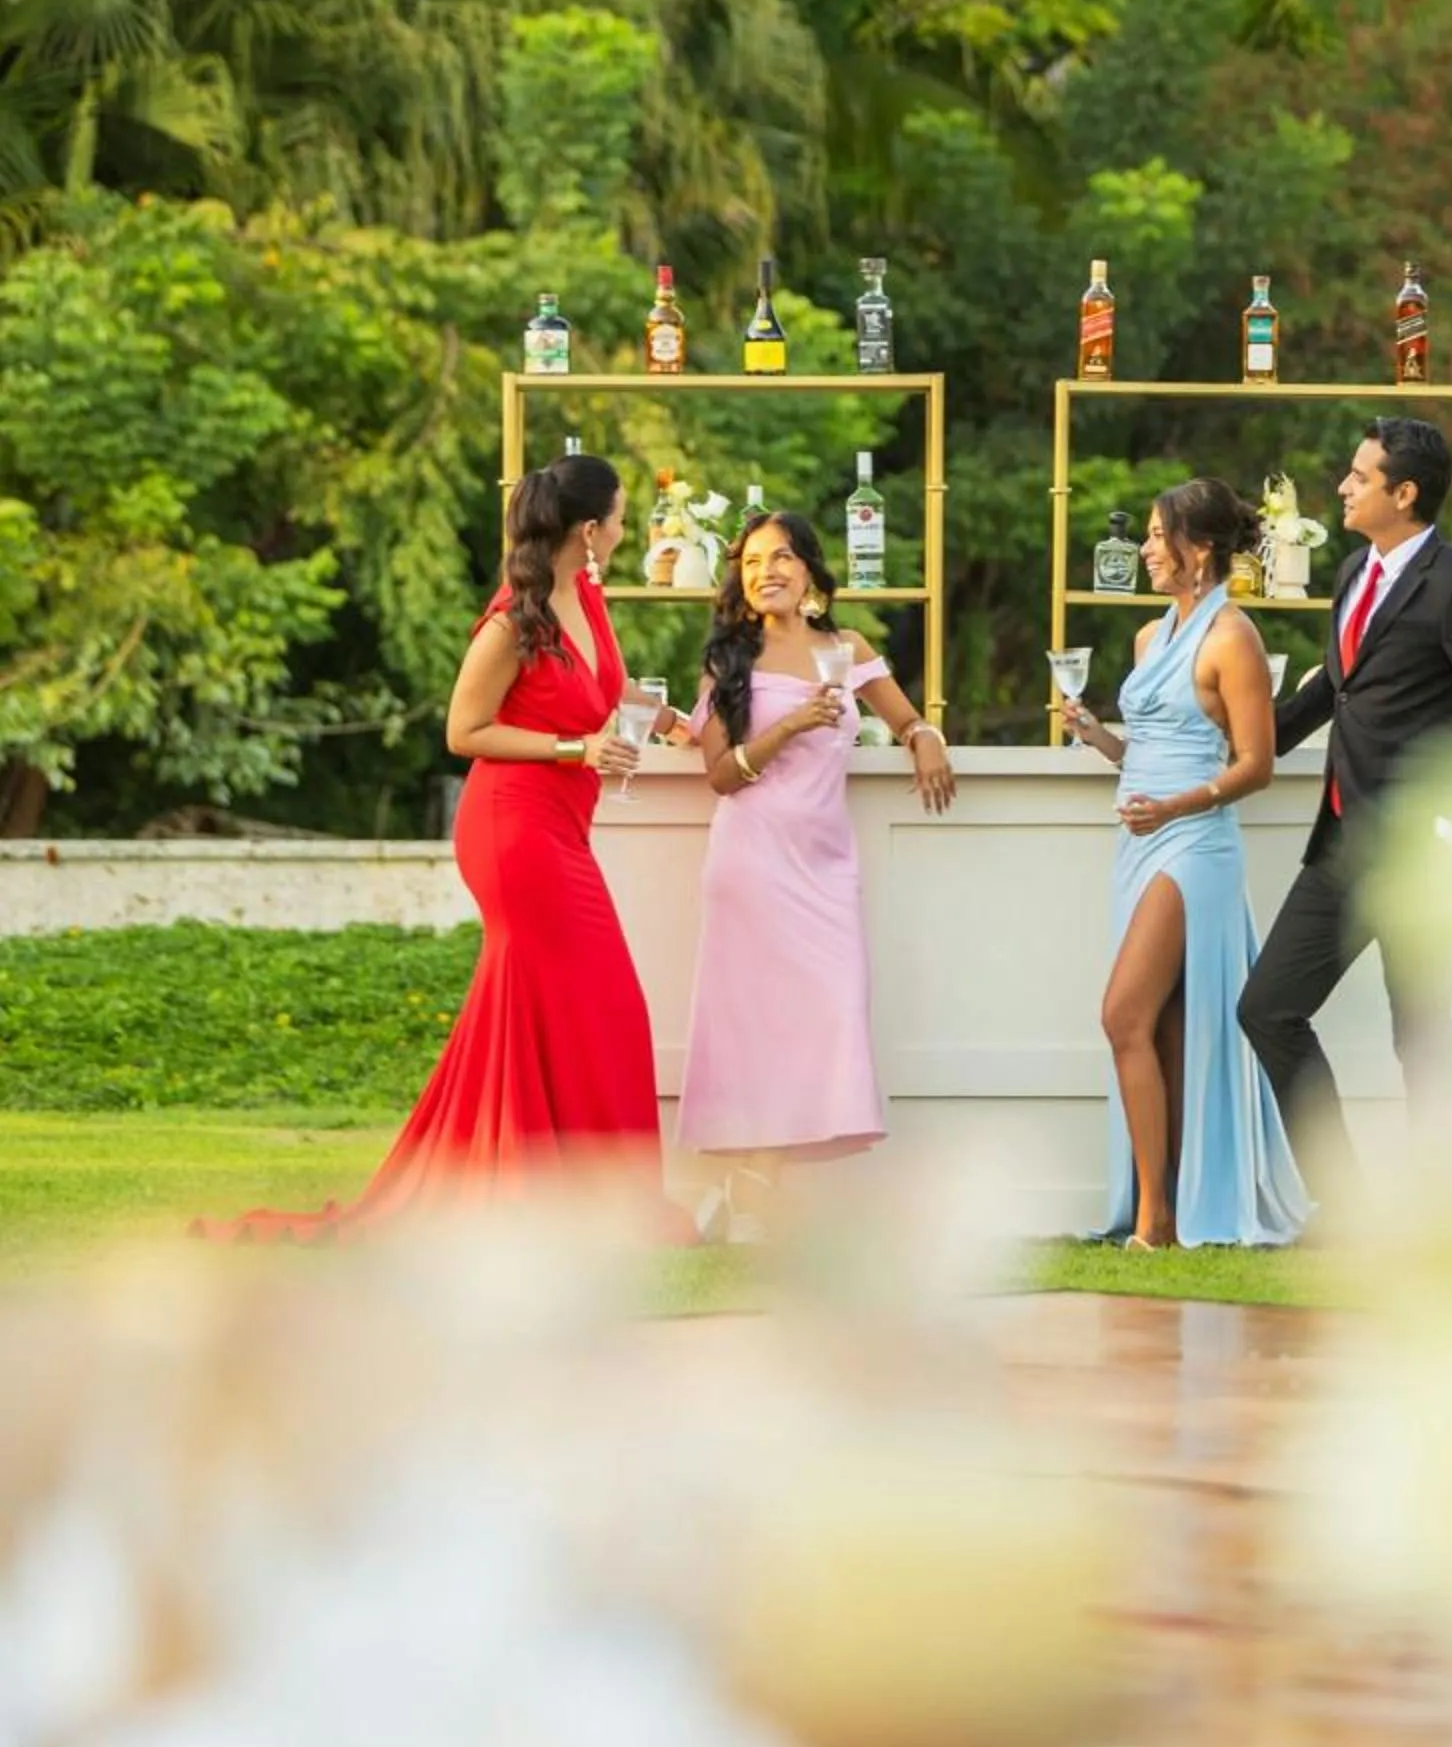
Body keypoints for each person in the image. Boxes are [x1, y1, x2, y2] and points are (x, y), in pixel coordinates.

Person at [198, 455, 681, 1243]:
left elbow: (605, 685)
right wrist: (577, 750)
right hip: (513, 828)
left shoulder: (585, 598)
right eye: (624, 518)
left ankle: (556, 1196)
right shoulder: (512, 622)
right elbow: (465, 731)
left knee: (560, 1007)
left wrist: (669, 721)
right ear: (591, 530)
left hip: (562, 824)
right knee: (604, 1002)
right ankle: (556, 1198)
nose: (628, 531)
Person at [1235, 418, 1452, 1203]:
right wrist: (1246, 740)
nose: (1342, 487)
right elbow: (1335, 690)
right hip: (1341, 846)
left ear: (1404, 494)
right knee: (1267, 1009)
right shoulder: (1349, 574)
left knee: (1421, 1035)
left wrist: (1450, 826)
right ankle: (1346, 1208)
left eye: (1360, 477)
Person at [677, 510, 956, 1244]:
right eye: (751, 563)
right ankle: (753, 1192)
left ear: (808, 570)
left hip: (826, 868)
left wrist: (925, 737)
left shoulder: (847, 649)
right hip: (751, 862)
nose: (765, 572)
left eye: (780, 558)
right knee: (756, 1031)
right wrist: (791, 725)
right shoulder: (729, 659)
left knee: (827, 1016)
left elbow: (905, 719)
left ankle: (743, 1190)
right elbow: (720, 775)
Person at [1059, 480, 1310, 1248]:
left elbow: (1256, 765)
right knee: (1162, 1026)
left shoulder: (1232, 638)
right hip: (1139, 840)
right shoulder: (1150, 637)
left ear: (1197, 549)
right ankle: (1164, 1201)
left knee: (1121, 1014)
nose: (1144, 549)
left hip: (1195, 845)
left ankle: (1155, 1218)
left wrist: (1173, 808)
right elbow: (1149, 752)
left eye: (1155, 534)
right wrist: (1097, 736)